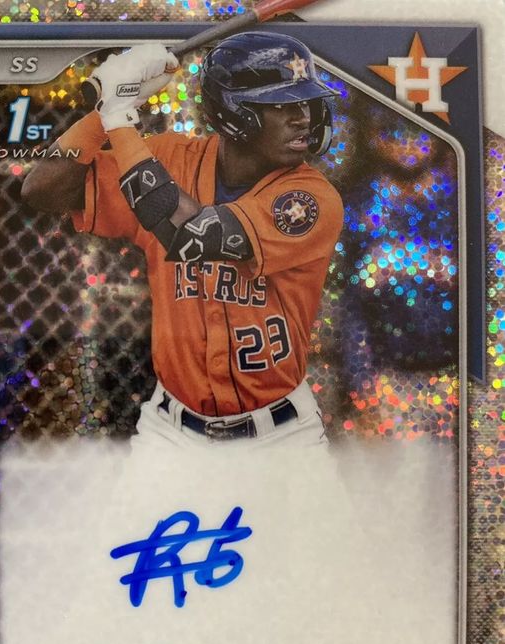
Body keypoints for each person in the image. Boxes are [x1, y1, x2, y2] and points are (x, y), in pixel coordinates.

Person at [22, 31, 344, 448]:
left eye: (305, 103)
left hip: (282, 436)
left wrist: (120, 120)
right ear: (234, 112)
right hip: (171, 432)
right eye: (281, 105)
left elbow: (194, 234)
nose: (302, 118)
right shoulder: (170, 158)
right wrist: (102, 115)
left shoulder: (312, 198)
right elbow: (43, 191)